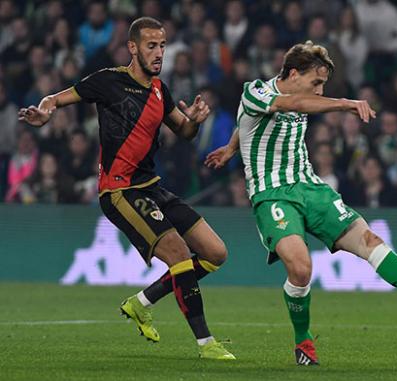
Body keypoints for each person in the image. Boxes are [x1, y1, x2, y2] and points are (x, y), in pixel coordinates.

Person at [205, 41, 397, 366]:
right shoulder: (256, 91)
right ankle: (303, 340)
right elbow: (281, 104)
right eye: (316, 82)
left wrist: (232, 147)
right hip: (273, 194)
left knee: (369, 240)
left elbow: (250, 121)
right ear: (292, 73)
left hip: (311, 188)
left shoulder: (293, 100)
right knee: (301, 269)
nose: (320, 90)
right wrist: (345, 103)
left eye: (324, 84)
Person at [17, 17, 235, 361]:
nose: (159, 52)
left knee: (216, 253)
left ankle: (141, 302)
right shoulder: (108, 81)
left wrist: (193, 120)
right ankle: (207, 344)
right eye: (151, 46)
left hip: (152, 187)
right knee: (178, 254)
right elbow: (56, 98)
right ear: (132, 47)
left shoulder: (161, 91)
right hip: (120, 191)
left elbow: (185, 132)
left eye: (162, 45)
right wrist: (45, 112)